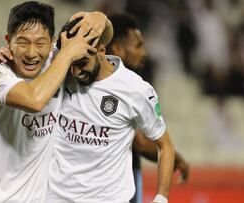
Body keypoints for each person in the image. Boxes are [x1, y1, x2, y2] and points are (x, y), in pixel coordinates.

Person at [0, 1, 110, 202]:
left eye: (40, 43)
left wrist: (101, 18)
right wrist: (66, 55)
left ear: (52, 42)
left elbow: (104, 37)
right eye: (22, 42)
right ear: (8, 41)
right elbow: (34, 100)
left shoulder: (56, 61)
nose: (31, 53)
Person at [45, 17, 175, 203]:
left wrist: (161, 198)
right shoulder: (60, 71)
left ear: (101, 51)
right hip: (55, 198)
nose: (75, 72)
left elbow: (165, 146)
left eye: (82, 62)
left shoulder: (135, 89)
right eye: (71, 63)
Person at [106, 14, 190, 203]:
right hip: (117, 188)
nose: (144, 52)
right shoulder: (123, 89)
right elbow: (141, 143)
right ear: (117, 48)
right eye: (138, 45)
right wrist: (177, 159)